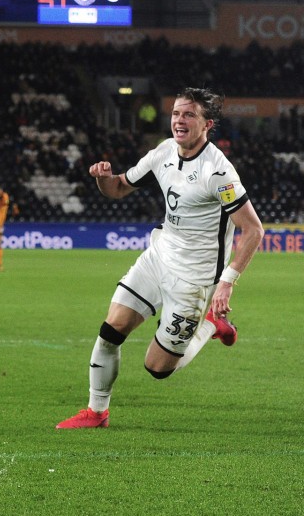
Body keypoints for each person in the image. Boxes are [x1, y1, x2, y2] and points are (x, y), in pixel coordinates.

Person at [56, 88, 264, 429]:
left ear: (207, 124)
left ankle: (211, 321)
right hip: (158, 257)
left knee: (158, 368)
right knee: (111, 329)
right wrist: (102, 179)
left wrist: (227, 283)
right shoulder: (164, 151)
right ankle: (96, 412)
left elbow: (253, 230)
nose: (179, 121)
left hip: (193, 280)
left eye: (189, 115)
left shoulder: (218, 172)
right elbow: (119, 187)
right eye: (176, 114)